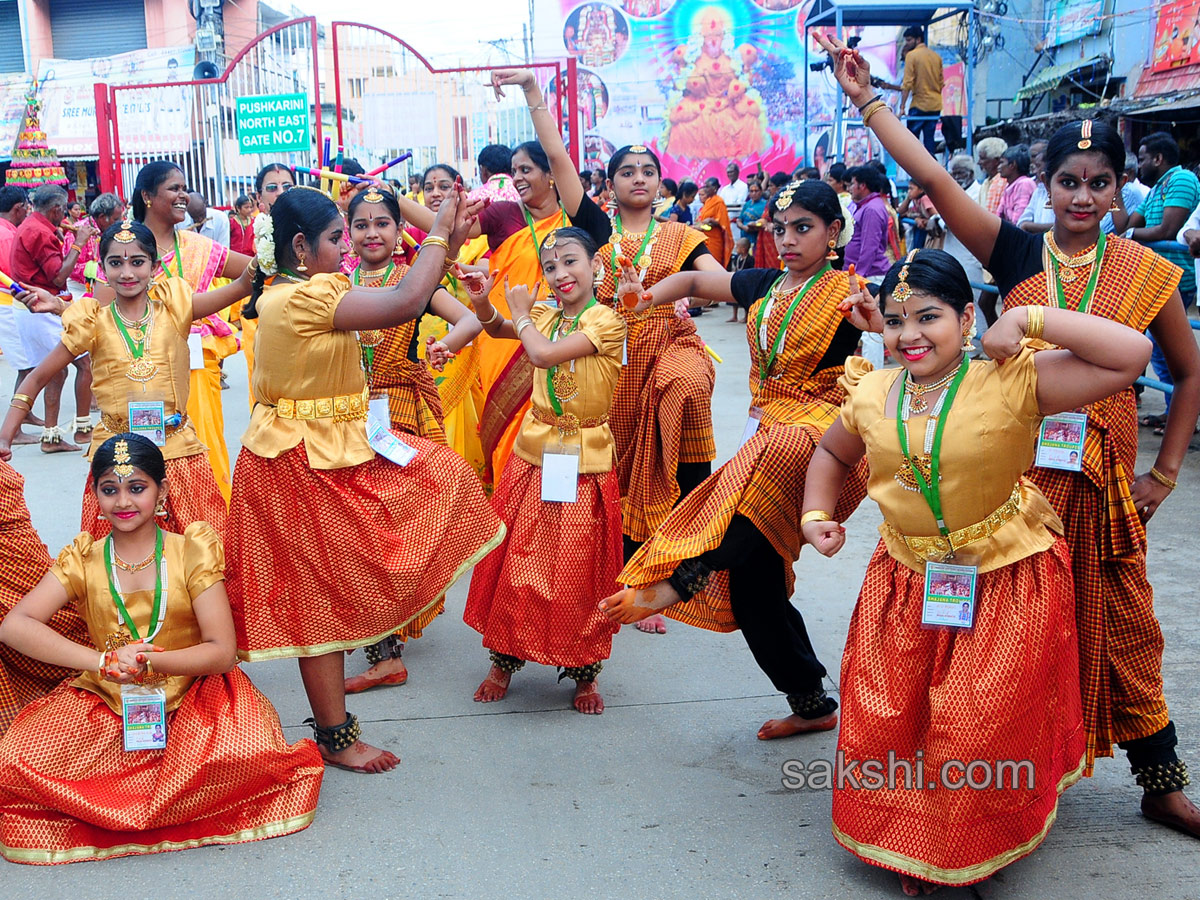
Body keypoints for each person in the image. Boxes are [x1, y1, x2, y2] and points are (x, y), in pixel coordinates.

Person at [815, 30, 1200, 838]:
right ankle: (989, 789)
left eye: (1099, 182)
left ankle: (1160, 781)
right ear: (1045, 187)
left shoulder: (1148, 270)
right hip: (1016, 486)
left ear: (1121, 188)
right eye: (1068, 181)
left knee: (1125, 625)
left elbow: (1185, 370)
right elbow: (926, 174)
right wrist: (867, 102)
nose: (1083, 196)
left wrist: (1164, 471)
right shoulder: (1016, 250)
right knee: (998, 650)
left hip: (1103, 482)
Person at [802, 250, 1153, 893]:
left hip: (1005, 577)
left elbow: (1130, 355)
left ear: (967, 318)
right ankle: (908, 838)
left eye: (929, 317)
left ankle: (960, 847)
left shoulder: (1013, 378)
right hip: (905, 578)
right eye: (896, 320)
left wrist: (1027, 315)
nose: (909, 335)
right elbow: (831, 449)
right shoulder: (872, 390)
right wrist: (815, 511)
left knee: (972, 724)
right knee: (891, 718)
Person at [227, 185, 503, 774]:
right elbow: (406, 300)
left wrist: (446, 239)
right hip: (298, 464)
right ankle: (335, 735)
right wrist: (433, 236)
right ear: (301, 247)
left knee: (437, 482)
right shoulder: (300, 298)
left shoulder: (294, 291)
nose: (345, 250)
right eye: (336, 239)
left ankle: (366, 680)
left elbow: (415, 294)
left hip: (329, 450)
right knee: (315, 605)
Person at [599, 180, 869, 741]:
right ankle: (811, 701)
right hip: (770, 429)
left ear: (833, 231)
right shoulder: (767, 284)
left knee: (762, 474)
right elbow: (697, 279)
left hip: (821, 433)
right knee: (755, 586)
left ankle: (683, 579)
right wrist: (642, 297)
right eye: (780, 228)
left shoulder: (850, 291)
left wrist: (876, 321)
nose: (788, 239)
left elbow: (903, 325)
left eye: (804, 227)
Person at [0, 433, 323, 864]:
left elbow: (223, 651)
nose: (123, 501)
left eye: (137, 487)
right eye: (109, 489)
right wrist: (101, 661)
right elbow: (15, 625)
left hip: (196, 693)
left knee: (249, 753)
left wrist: (151, 659)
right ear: (94, 494)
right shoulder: (84, 559)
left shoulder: (190, 552)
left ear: (162, 491)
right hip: (109, 693)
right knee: (17, 760)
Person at [489, 69, 722, 634]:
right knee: (607, 480)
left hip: (661, 359)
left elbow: (715, 280)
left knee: (671, 457)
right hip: (600, 366)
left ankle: (661, 581)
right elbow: (560, 162)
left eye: (648, 171)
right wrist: (532, 96)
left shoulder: (682, 237)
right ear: (609, 183)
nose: (637, 178)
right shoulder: (594, 234)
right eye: (626, 171)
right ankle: (615, 582)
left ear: (661, 183)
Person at [393, 112, 610, 488]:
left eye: (527, 169)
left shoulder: (577, 223)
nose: (519, 178)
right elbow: (440, 227)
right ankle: (509, 511)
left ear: (550, 175)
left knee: (558, 426)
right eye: (514, 171)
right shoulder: (503, 215)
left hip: (564, 340)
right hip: (505, 337)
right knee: (506, 434)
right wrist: (391, 199)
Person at [0, 215, 251, 537]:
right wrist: (6, 435)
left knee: (198, 558)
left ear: (154, 265)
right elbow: (35, 378)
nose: (127, 272)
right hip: (118, 459)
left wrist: (274, 245)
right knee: (121, 562)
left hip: (178, 453)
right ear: (103, 269)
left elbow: (243, 284)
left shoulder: (176, 308)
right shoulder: (92, 322)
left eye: (137, 262)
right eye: (116, 263)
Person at [461, 227, 624, 713]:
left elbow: (543, 354)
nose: (560, 274)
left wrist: (518, 316)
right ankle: (503, 658)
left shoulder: (606, 321)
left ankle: (583, 669)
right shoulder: (546, 316)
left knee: (579, 568)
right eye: (550, 267)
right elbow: (496, 330)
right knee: (517, 560)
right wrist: (483, 303)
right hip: (535, 455)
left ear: (596, 265)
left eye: (570, 262)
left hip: (585, 459)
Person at [340, 185, 483, 693]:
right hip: (348, 415)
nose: (372, 233)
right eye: (361, 224)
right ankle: (384, 647)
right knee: (358, 526)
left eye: (383, 223)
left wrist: (444, 345)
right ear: (347, 232)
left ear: (400, 231)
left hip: (400, 414)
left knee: (394, 528)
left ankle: (389, 639)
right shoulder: (336, 282)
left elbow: (469, 320)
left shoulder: (411, 279)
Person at [133, 163, 253, 505]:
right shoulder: (124, 246)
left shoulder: (198, 247)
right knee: (152, 452)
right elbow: (101, 311)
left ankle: (212, 531)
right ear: (147, 196)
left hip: (198, 364)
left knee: (205, 444)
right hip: (142, 366)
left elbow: (254, 270)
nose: (183, 194)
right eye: (173, 188)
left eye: (184, 187)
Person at [1110, 131, 1200, 423]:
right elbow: (1125, 224)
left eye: (1145, 157)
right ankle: (1173, 409)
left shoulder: (1182, 180)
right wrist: (1116, 192)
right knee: (1158, 350)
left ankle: (1180, 413)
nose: (1142, 164)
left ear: (1159, 159)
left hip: (1177, 278)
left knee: (1167, 350)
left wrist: (1132, 235)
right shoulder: (1160, 186)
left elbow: (1167, 231)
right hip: (1154, 278)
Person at [417, 163, 491, 481]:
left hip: (477, 339)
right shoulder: (410, 237)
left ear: (459, 190)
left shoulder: (479, 235)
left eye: (444, 186)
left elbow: (494, 270)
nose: (436, 193)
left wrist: (457, 257)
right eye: (429, 187)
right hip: (428, 346)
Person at [10, 185, 94, 452]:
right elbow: (58, 277)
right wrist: (79, 242)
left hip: (31, 307)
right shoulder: (38, 231)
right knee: (84, 364)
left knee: (56, 372)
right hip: (41, 307)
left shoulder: (34, 224)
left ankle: (51, 437)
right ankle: (83, 430)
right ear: (57, 209)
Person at [242, 163, 298, 407]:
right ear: (259, 197)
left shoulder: (313, 225)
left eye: (287, 186)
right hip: (262, 311)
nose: (280, 193)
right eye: (272, 187)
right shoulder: (258, 230)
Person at [0, 186, 40, 445]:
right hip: (7, 304)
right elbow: (13, 273)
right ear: (18, 208)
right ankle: (14, 430)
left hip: (10, 303)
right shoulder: (5, 235)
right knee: (27, 366)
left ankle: (25, 415)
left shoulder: (7, 231)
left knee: (30, 363)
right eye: (27, 207)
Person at [899, 25, 943, 156]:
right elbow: (941, 83)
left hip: (919, 105)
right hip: (935, 105)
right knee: (930, 141)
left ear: (918, 39)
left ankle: (916, 173)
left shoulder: (912, 56)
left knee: (912, 144)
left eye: (909, 40)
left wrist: (902, 107)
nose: (907, 43)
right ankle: (930, 171)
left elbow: (907, 83)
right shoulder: (936, 57)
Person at [698, 177, 733, 268]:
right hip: (704, 236)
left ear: (715, 188)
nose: (706, 189)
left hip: (715, 238)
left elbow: (722, 222)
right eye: (705, 186)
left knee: (714, 263)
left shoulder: (719, 202)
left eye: (708, 186)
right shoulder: (708, 201)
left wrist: (711, 220)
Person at [996, 144, 1036, 224]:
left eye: (1001, 163)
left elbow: (1017, 221)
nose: (998, 167)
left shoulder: (1024, 184)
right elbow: (998, 215)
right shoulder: (1009, 186)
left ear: (1012, 165)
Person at [975, 137, 1008, 215]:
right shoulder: (986, 183)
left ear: (996, 161)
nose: (979, 162)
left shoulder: (1004, 183)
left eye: (982, 158)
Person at [738, 179, 768, 250]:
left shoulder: (765, 204)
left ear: (761, 192)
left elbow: (765, 222)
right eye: (751, 191)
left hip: (757, 239)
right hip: (744, 239)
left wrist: (754, 226)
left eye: (756, 191)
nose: (754, 193)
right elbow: (739, 220)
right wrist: (743, 227)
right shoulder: (747, 204)